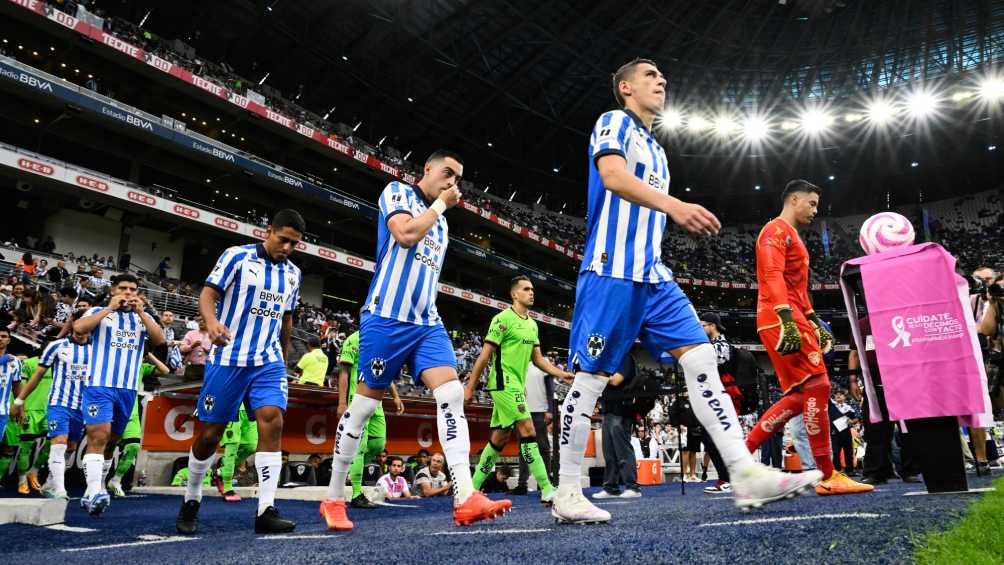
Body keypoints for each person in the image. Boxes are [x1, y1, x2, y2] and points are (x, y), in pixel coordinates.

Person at [554, 59, 820, 524]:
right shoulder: (613, 121)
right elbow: (614, 177)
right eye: (650, 75)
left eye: (663, 76)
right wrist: (677, 206)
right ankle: (567, 490)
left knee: (700, 359)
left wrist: (672, 212)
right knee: (591, 379)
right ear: (625, 87)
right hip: (611, 271)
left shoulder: (658, 151)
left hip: (655, 275)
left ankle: (743, 471)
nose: (661, 81)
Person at [320, 150, 511, 531]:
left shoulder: (441, 226)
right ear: (427, 169)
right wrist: (441, 203)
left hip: (426, 322)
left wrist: (440, 208)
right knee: (360, 410)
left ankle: (465, 496)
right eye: (447, 173)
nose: (452, 182)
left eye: (457, 179)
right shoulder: (397, 193)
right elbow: (405, 235)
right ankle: (333, 496)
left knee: (452, 395)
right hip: (386, 319)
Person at [175, 209, 304, 535]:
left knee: (273, 418)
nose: (287, 248)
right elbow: (208, 294)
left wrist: (285, 360)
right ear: (268, 231)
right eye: (283, 239)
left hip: (268, 361)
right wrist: (211, 322)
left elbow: (286, 319)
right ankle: (192, 498)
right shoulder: (236, 257)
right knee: (209, 436)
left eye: (294, 244)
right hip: (228, 359)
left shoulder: (293, 274)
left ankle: (266, 509)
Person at [743, 179, 871, 496]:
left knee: (801, 397)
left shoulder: (791, 235)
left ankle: (738, 458)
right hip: (780, 315)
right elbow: (772, 276)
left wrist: (813, 319)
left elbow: (797, 287)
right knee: (819, 385)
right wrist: (787, 319)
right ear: (794, 199)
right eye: (812, 203)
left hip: (788, 313)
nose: (816, 210)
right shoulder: (775, 231)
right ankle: (827, 475)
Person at [464, 275, 573, 505]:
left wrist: (559, 373)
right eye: (526, 289)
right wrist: (470, 387)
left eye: (532, 289)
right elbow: (484, 356)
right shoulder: (502, 319)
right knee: (527, 428)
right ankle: (546, 488)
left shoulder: (532, 324)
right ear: (514, 294)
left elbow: (538, 359)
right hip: (502, 383)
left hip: (516, 386)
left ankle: (470, 490)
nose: (531, 292)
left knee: (499, 439)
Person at [73, 274, 166, 515]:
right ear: (113, 290)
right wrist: (108, 308)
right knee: (98, 436)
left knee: (112, 441)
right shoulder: (98, 312)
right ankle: (93, 491)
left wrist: (143, 314)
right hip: (99, 385)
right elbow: (79, 328)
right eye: (122, 288)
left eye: (132, 289)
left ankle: (98, 485)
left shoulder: (141, 319)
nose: (127, 292)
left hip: (127, 389)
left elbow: (160, 340)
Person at [12, 311, 90, 499]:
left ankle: (49, 482)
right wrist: (19, 400)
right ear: (72, 324)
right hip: (59, 404)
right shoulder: (57, 346)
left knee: (71, 447)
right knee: (58, 444)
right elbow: (37, 375)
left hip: (82, 407)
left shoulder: (98, 350)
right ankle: (60, 489)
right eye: (77, 323)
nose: (80, 329)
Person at [336, 330, 404, 509]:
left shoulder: (382, 338)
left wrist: (395, 396)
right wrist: (342, 402)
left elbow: (383, 371)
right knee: (360, 447)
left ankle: (351, 470)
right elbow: (343, 372)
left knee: (378, 445)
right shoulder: (353, 339)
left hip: (377, 403)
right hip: (357, 400)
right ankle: (357, 493)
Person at [108, 352, 169, 497]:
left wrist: (149, 355)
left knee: (133, 446)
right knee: (107, 448)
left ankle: (116, 480)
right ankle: (97, 483)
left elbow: (165, 371)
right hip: (111, 411)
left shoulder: (141, 367)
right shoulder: (113, 363)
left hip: (131, 414)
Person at [698, 312, 736, 493]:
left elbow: (713, 366)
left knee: (715, 438)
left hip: (720, 396)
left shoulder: (720, 345)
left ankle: (728, 478)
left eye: (703, 325)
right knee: (710, 438)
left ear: (712, 325)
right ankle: (726, 478)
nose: (701, 328)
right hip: (714, 396)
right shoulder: (713, 344)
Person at [595, 361, 642, 499]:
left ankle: (632, 486)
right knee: (609, 452)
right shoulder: (611, 360)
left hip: (621, 411)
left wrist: (596, 374)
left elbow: (616, 380)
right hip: (608, 410)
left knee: (623, 451)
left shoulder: (624, 358)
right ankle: (611, 487)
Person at [213, 405, 258, 502]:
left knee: (251, 447)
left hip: (251, 410)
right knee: (232, 447)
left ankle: (221, 471)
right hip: (233, 408)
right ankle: (228, 487)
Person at [0, 329, 23, 481]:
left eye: (3, 336)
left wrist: (21, 408)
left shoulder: (14, 362)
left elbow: (17, 386)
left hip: (2, 412)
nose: (0, 339)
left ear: (9, 340)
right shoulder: (6, 359)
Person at [180, 316, 211, 381]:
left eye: (204, 320)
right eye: (200, 320)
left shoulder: (213, 335)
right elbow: (182, 349)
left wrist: (209, 351)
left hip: (208, 368)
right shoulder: (190, 333)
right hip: (192, 368)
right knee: (188, 388)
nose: (201, 322)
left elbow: (218, 350)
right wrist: (192, 346)